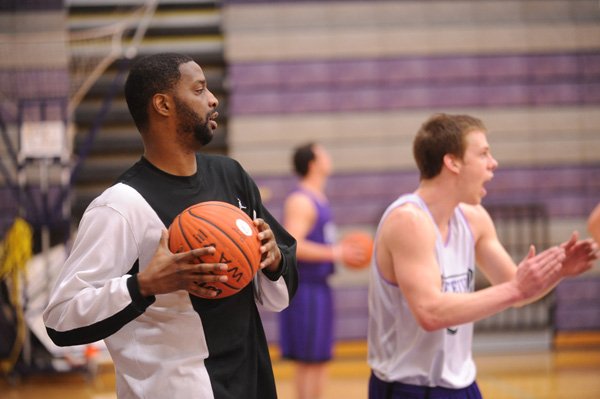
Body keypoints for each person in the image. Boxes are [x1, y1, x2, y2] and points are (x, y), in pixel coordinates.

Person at [43, 53, 298, 399]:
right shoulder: (120, 206)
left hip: (252, 383)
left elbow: (278, 296)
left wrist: (273, 259)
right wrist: (144, 285)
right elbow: (61, 319)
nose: (213, 99)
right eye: (199, 89)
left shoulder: (232, 177)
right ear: (162, 104)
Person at [367, 113, 598, 399]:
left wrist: (558, 270)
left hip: (462, 382)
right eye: (484, 153)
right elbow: (430, 312)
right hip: (409, 387)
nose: (494, 163)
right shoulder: (409, 221)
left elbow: (518, 291)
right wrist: (515, 289)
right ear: (452, 162)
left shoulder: (473, 218)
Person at [278, 143, 366, 399]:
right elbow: (293, 245)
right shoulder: (301, 200)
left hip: (320, 287)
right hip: (306, 289)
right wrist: (338, 252)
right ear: (313, 163)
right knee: (308, 360)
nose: (329, 155)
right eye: (323, 152)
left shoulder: (317, 197)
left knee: (320, 358)